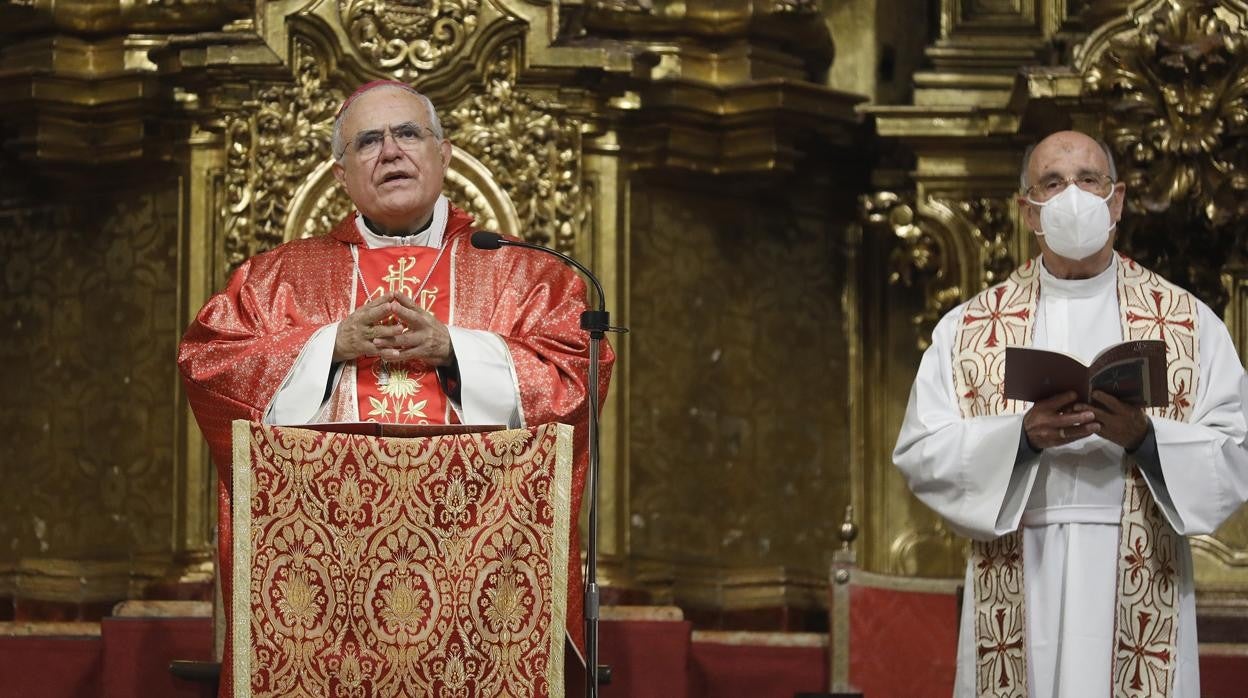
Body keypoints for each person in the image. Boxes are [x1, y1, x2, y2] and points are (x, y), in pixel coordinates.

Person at [178, 80, 612, 670]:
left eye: (408, 133)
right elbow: (209, 365)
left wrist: (455, 350)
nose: (390, 151)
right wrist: (329, 345)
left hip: (483, 574)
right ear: (341, 174)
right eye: (367, 141)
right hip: (324, 582)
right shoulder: (276, 279)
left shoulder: (530, 275)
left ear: (444, 154)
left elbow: (576, 385)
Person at [893, 130, 1248, 698]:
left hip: (1140, 572)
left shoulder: (1187, 322)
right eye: (1052, 183)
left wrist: (1146, 438)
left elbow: (1236, 452)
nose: (1073, 196)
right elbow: (920, 451)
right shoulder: (969, 329)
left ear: (1117, 200)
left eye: (1088, 179)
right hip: (1020, 566)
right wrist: (1021, 439)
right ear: (1028, 211)